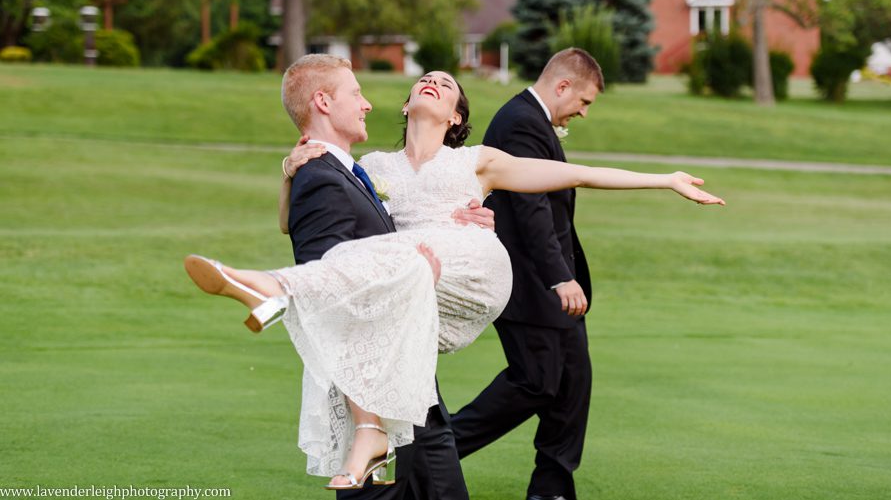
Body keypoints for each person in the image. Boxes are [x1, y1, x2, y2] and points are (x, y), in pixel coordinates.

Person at [184, 54, 724, 495]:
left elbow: (575, 172)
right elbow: (296, 223)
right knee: (387, 282)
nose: (433, 82)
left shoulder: (478, 163)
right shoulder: (371, 167)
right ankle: (374, 443)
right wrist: (287, 174)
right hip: (413, 280)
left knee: (404, 257)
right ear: (407, 103)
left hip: (469, 270)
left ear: (455, 118)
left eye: (446, 85)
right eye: (426, 79)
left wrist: (664, 179)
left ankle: (274, 287)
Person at [451, 48, 604, 500]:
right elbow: (531, 207)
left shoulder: (534, 122)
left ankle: (551, 486)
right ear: (563, 87)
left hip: (548, 280)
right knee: (536, 380)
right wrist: (560, 276)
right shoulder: (520, 122)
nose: (583, 111)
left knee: (574, 380)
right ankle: (435, 453)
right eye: (584, 101)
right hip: (528, 281)